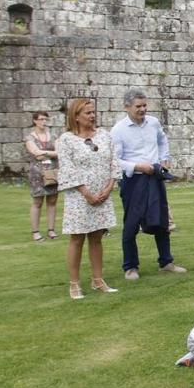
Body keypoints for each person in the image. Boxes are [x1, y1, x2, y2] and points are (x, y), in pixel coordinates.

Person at [111, 89, 186, 280]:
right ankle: (130, 267)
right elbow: (114, 160)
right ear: (126, 107)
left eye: (145, 105)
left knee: (161, 220)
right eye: (138, 106)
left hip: (155, 177)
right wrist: (137, 166)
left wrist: (164, 159)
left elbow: (162, 141)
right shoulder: (118, 130)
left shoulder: (153, 123)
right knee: (131, 223)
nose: (143, 109)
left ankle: (166, 262)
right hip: (133, 180)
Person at [55, 98, 121, 299]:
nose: (92, 116)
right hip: (79, 197)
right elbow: (67, 169)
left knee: (96, 237)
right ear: (76, 116)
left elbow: (113, 163)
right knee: (77, 238)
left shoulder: (104, 136)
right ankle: (74, 283)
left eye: (93, 112)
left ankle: (97, 279)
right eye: (88, 113)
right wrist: (86, 193)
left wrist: (109, 188)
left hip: (102, 194)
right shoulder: (66, 140)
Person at [24, 111, 59, 242]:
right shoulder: (30, 138)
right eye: (41, 119)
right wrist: (51, 153)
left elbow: (59, 151)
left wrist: (43, 153)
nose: (44, 122)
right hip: (37, 174)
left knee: (52, 201)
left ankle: (51, 230)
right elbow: (35, 152)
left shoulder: (53, 135)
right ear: (35, 121)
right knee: (37, 201)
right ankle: (35, 231)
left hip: (52, 172)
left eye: (45, 119)